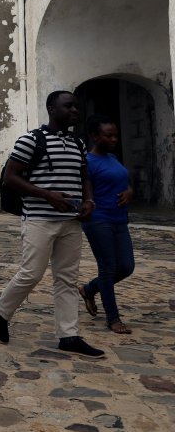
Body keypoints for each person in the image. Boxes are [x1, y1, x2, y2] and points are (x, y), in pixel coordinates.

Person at [0, 90, 102, 356]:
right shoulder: (31, 140)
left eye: (76, 105)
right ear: (51, 109)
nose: (74, 110)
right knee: (31, 273)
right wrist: (47, 195)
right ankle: (0, 311)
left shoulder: (78, 143)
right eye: (68, 106)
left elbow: (84, 176)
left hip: (70, 221)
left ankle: (69, 335)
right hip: (39, 219)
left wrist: (89, 201)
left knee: (67, 279)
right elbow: (11, 179)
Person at [77, 115, 136, 335]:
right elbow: (87, 190)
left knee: (126, 267)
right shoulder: (88, 162)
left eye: (115, 135)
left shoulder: (112, 158)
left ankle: (89, 289)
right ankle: (113, 318)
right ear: (94, 136)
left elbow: (123, 183)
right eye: (108, 135)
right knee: (108, 267)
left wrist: (130, 192)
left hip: (119, 219)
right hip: (98, 219)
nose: (114, 139)